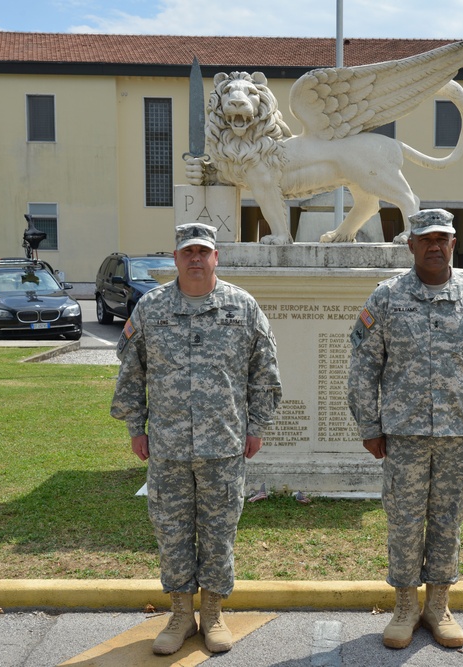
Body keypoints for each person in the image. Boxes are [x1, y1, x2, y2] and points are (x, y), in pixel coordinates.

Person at [111, 222, 282, 656]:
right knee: (171, 532)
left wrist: (256, 426)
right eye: (187, 252)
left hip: (223, 446)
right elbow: (132, 373)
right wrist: (136, 428)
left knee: (219, 531)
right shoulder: (151, 308)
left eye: (203, 252)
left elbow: (264, 374)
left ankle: (214, 611)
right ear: (175, 259)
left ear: (215, 257)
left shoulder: (241, 307)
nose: (195, 259)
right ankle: (181, 614)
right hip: (166, 447)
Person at [347, 209, 463, 650]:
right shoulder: (386, 298)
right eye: (427, 239)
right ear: (411, 246)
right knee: (403, 521)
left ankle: (438, 605)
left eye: (444, 238)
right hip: (404, 435)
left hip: (459, 433)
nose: (436, 246)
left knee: (447, 521)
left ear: (454, 244)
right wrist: (369, 424)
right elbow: (363, 366)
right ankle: (405, 606)